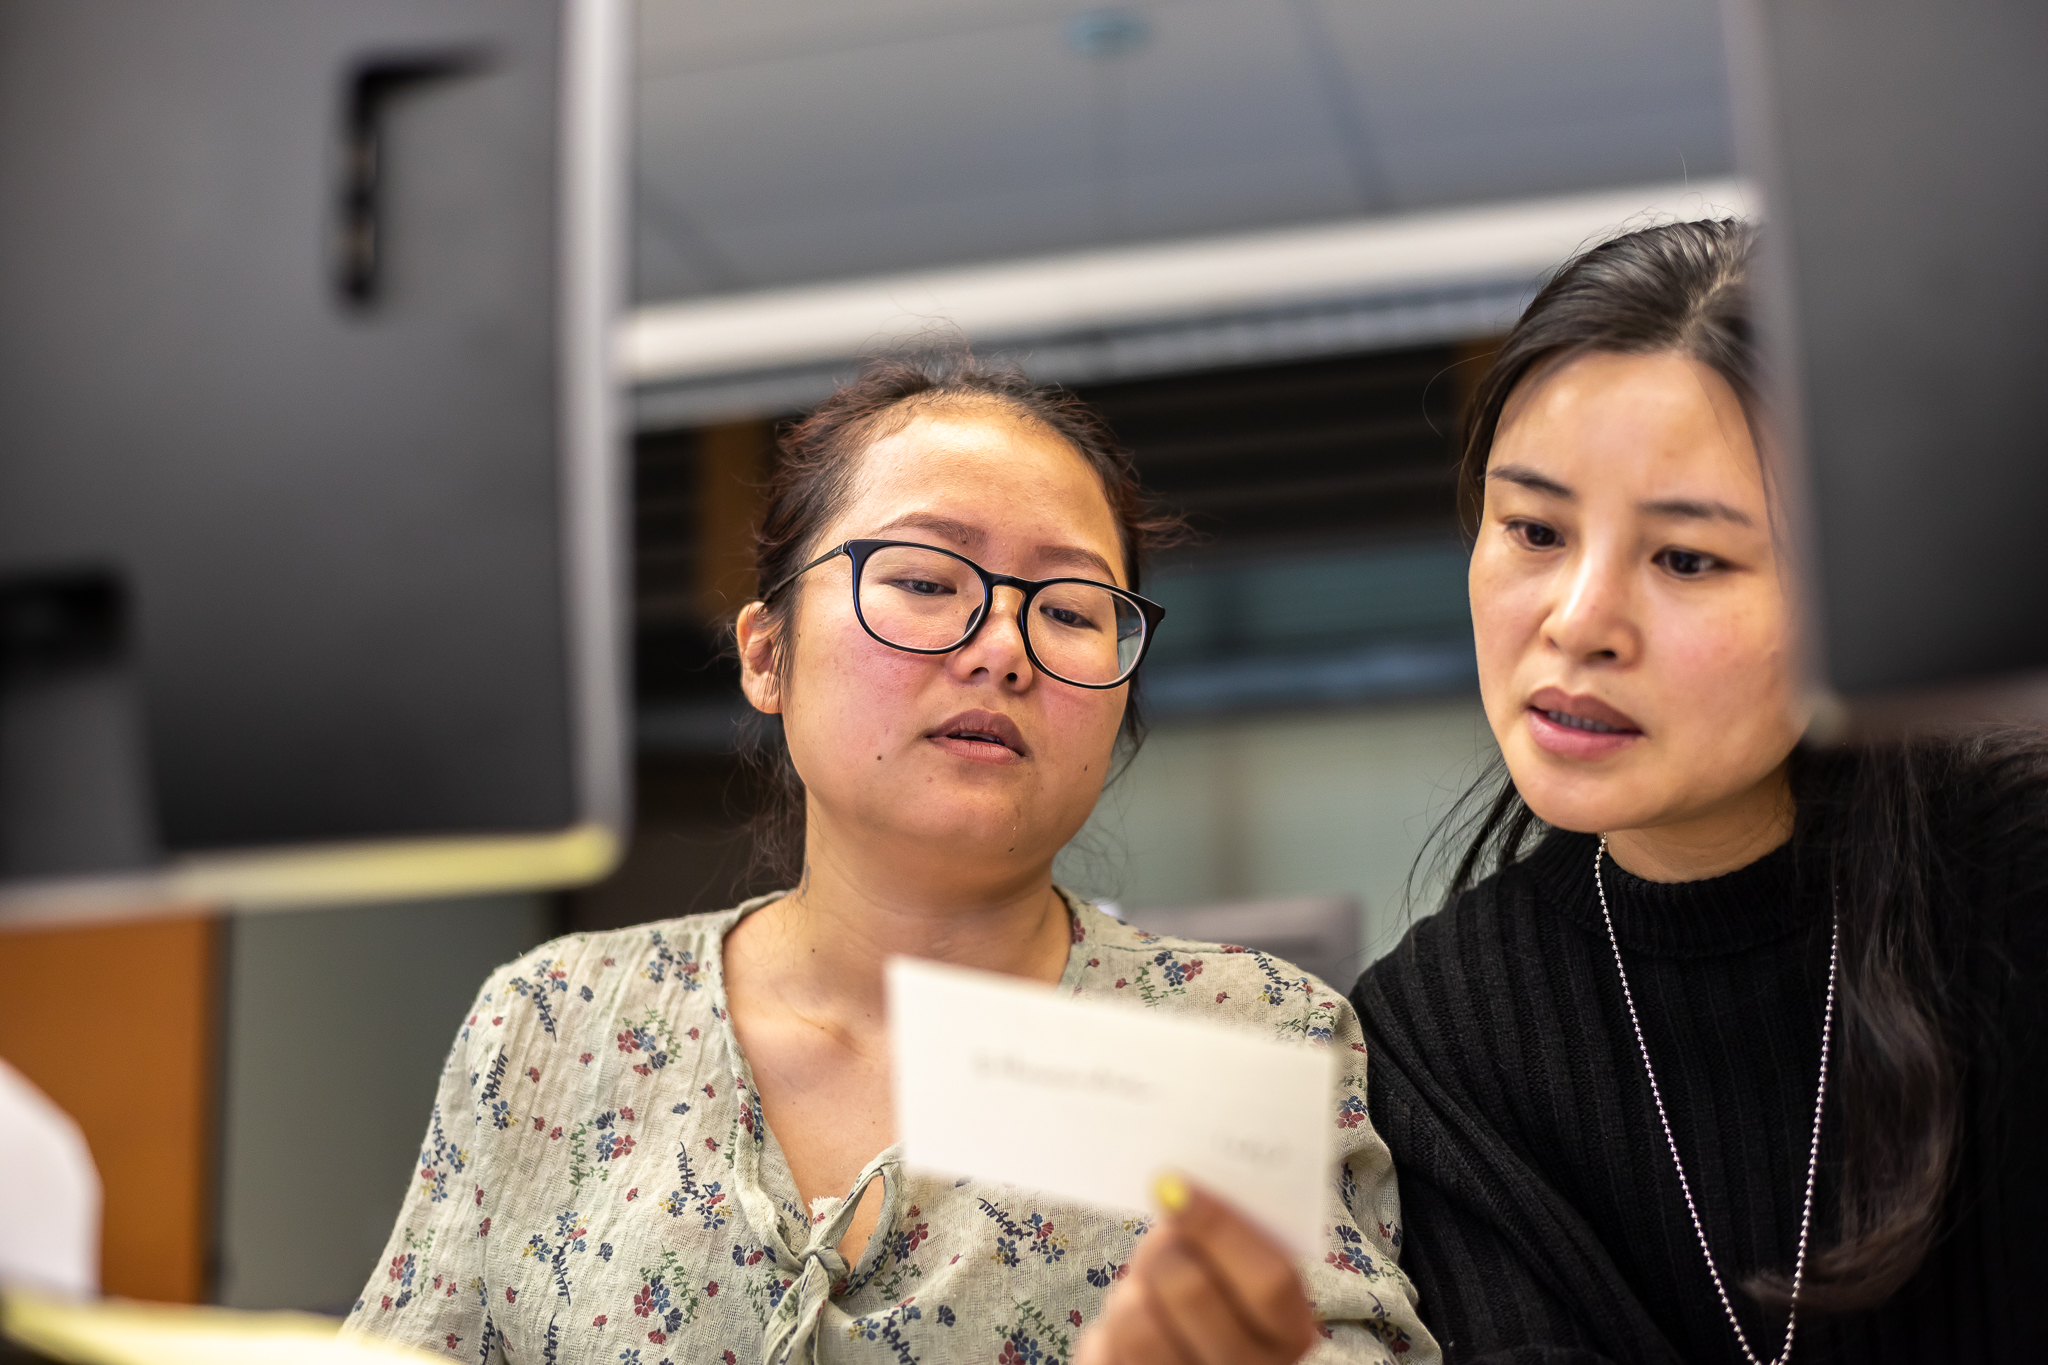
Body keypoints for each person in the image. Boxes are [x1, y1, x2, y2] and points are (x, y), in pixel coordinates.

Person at [344, 354, 1435, 1365]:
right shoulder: (554, 1024)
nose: (1002, 648)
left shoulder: (1241, 1034)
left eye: (1068, 609)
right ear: (767, 655)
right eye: (922, 582)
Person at [1349, 219, 2048, 1363]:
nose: (1576, 622)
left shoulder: (2013, 879)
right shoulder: (1438, 1033)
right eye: (1531, 529)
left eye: (1685, 558)